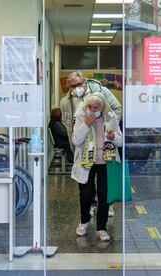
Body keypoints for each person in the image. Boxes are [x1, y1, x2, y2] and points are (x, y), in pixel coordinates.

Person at [60, 70, 121, 217]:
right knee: (86, 183)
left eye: (78, 84)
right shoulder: (66, 102)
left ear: (85, 82)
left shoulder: (102, 91)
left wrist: (111, 127)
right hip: (83, 144)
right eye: (72, 86)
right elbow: (69, 125)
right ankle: (92, 206)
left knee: (104, 185)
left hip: (103, 145)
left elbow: (117, 108)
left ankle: (107, 206)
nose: (76, 88)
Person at [71, 93, 122, 241]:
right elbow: (75, 140)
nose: (93, 110)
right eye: (90, 107)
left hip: (106, 162)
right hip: (87, 161)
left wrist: (114, 137)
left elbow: (121, 141)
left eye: (96, 107)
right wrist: (86, 124)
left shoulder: (110, 117)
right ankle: (84, 221)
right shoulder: (81, 117)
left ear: (103, 107)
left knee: (104, 195)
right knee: (86, 194)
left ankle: (101, 228)